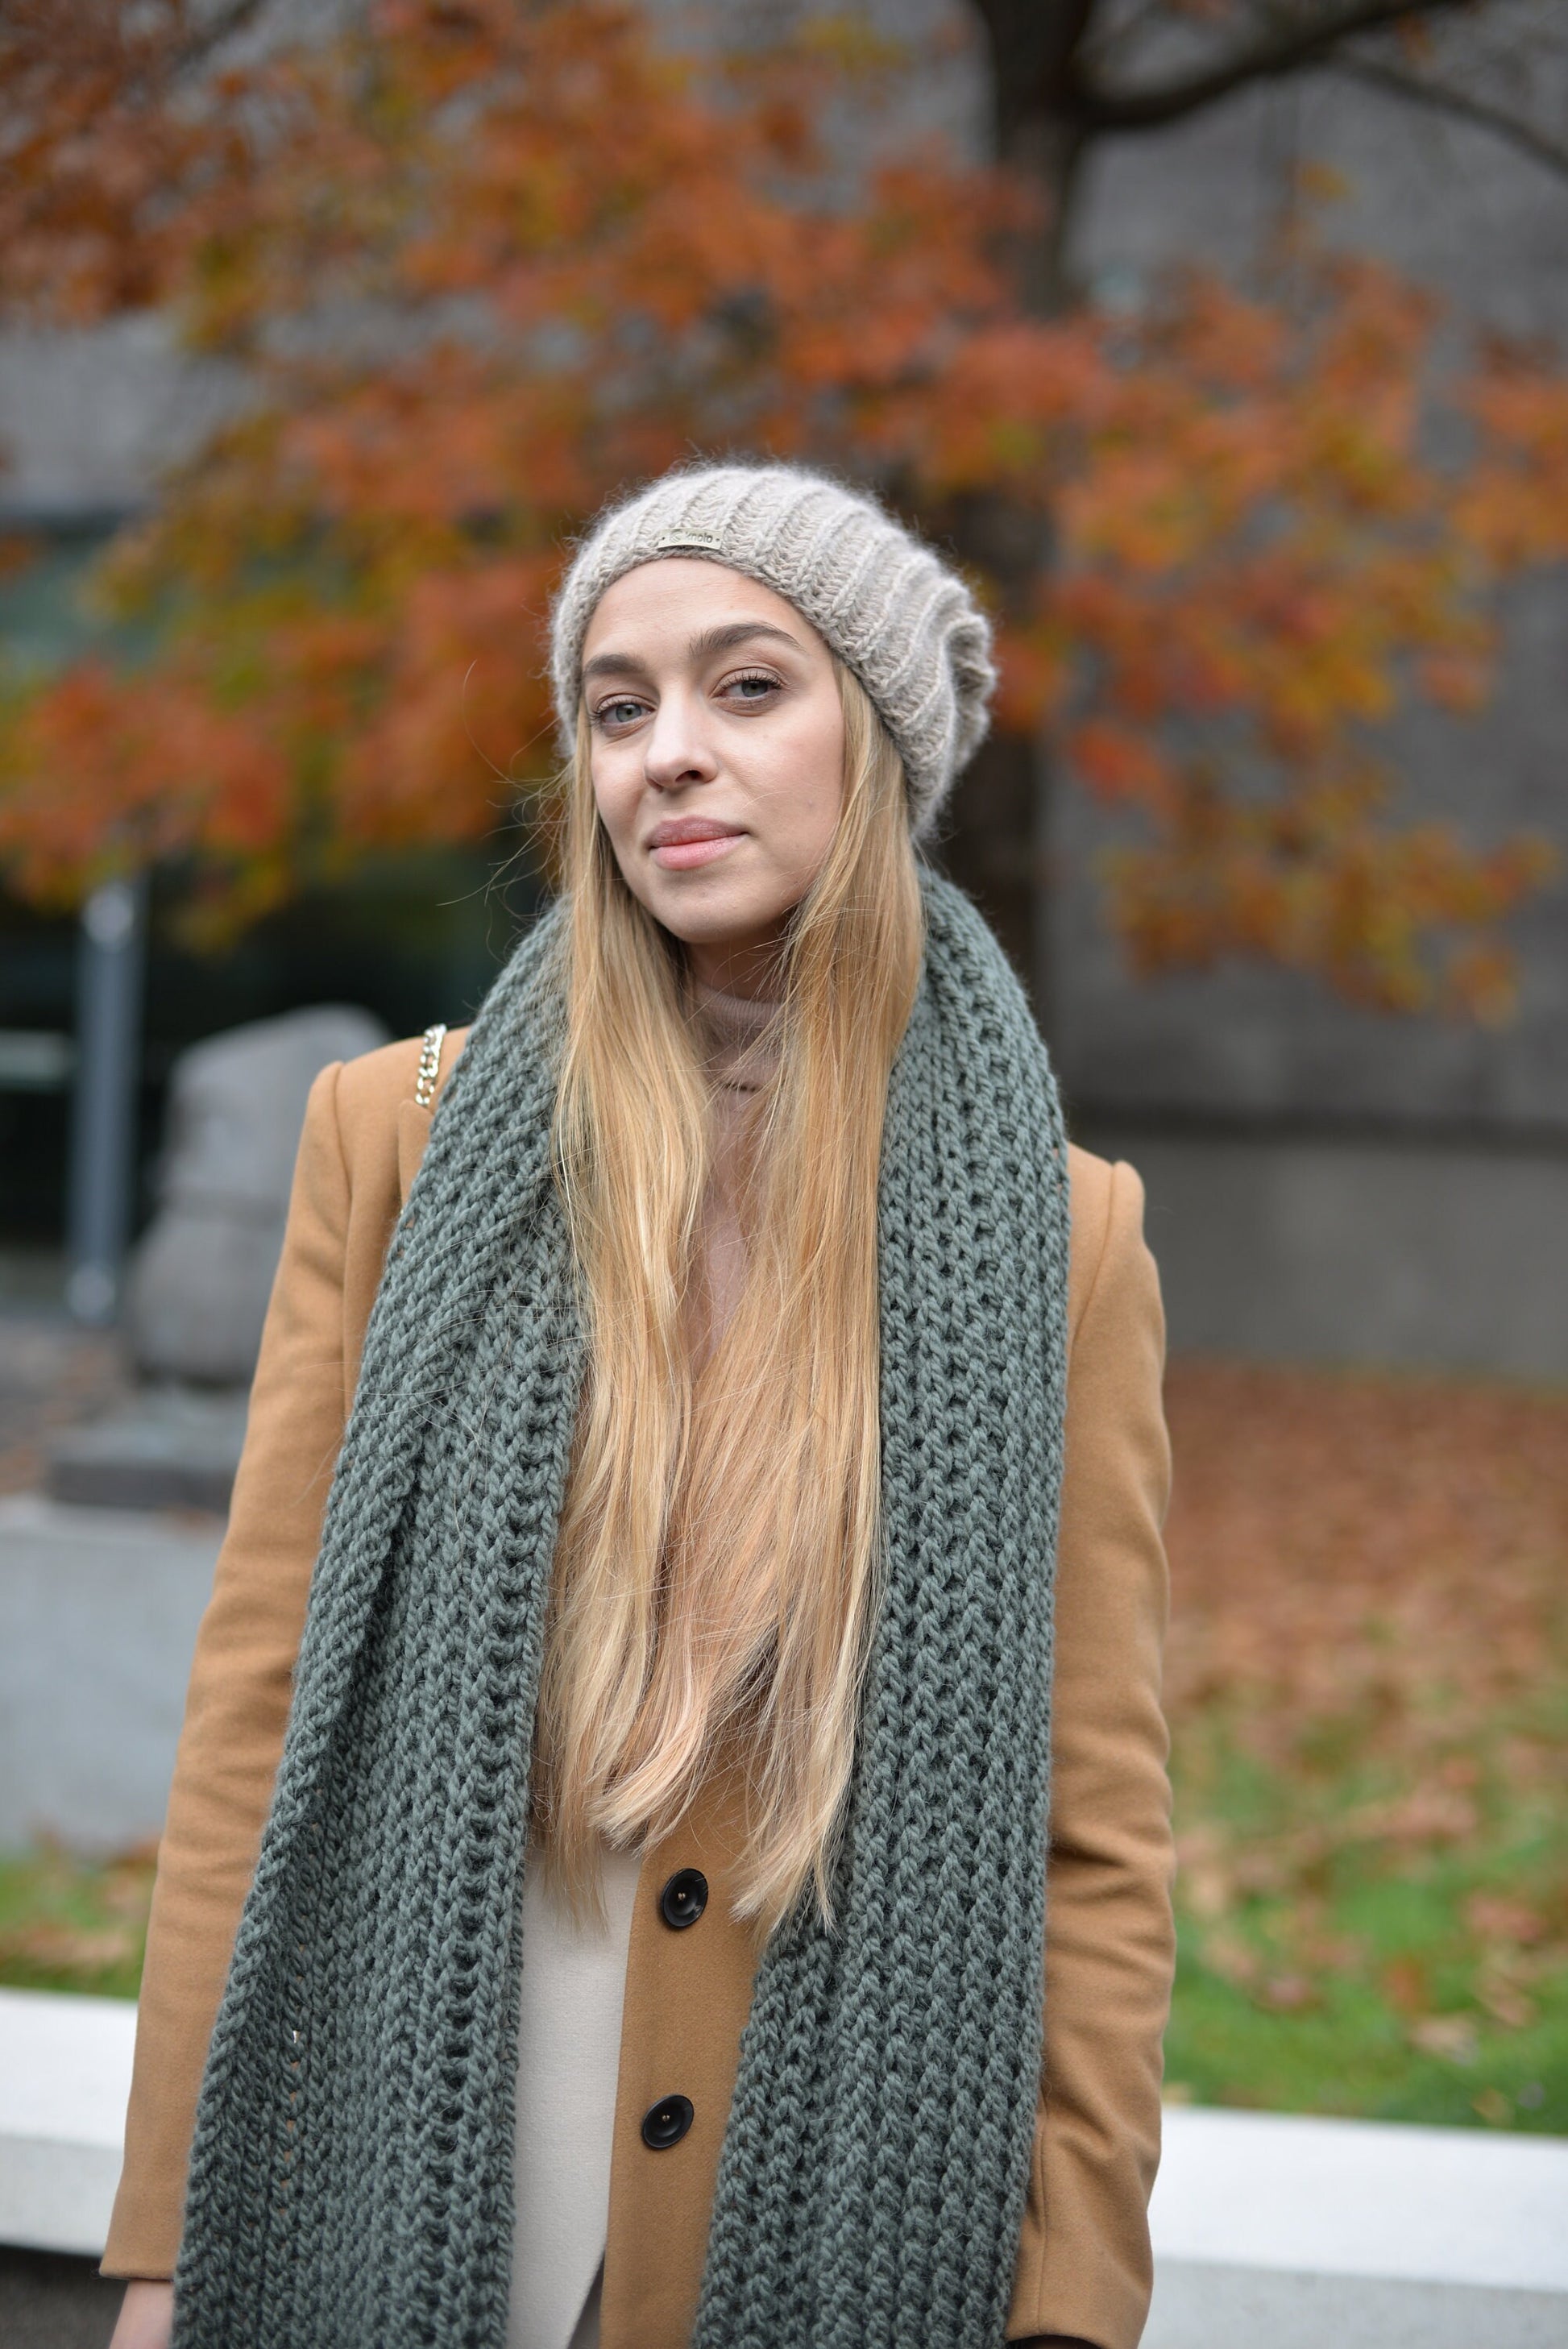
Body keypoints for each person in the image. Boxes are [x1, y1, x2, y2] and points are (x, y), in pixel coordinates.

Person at [105, 461, 1175, 2349]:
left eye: (747, 687)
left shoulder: (1064, 1240)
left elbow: (1090, 1843)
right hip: (401, 2184)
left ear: (880, 749)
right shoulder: (400, 1142)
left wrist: (1071, 2307)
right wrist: (168, 2250)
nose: (668, 753)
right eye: (620, 706)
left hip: (818, 2225)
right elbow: (260, 1721)